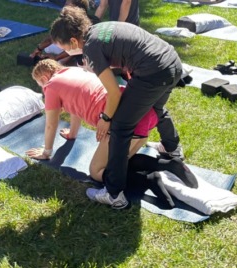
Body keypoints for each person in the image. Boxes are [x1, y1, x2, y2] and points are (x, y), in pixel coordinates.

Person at [50, 6, 185, 209]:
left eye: (65, 48)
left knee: (120, 128)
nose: (65, 53)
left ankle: (114, 194)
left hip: (152, 72)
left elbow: (113, 93)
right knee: (156, 108)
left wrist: (105, 119)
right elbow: (122, 49)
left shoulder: (91, 48)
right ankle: (172, 149)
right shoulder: (98, 30)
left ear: (74, 42)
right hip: (171, 63)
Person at [26, 59, 197, 207]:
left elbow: (51, 124)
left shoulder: (51, 86)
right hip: (145, 114)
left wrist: (47, 151)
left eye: (40, 86)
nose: (43, 90)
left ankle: (159, 170)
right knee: (121, 160)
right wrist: (72, 133)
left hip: (124, 122)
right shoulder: (73, 71)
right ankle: (157, 173)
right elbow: (75, 108)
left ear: (43, 79)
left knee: (97, 171)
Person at [29, 0, 100, 66]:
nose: (64, 7)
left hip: (89, 55)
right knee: (50, 48)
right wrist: (39, 49)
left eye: (67, 5)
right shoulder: (89, 19)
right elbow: (53, 38)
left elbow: (74, 48)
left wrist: (56, 58)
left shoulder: (73, 24)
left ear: (75, 9)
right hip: (84, 49)